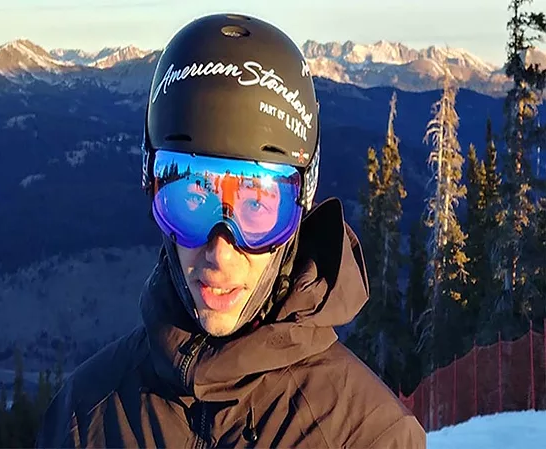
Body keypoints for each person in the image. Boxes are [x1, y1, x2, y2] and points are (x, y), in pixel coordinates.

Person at [36, 13, 426, 448]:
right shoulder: (85, 417)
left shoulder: (368, 437)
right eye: (191, 200)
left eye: (256, 207)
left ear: (299, 208)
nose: (220, 253)